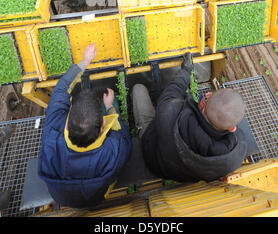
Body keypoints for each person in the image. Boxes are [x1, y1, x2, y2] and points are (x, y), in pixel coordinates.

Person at [38, 43, 132, 208]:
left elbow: (60, 90)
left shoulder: (53, 129)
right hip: (96, 197)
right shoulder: (113, 149)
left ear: (66, 125)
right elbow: (125, 139)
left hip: (60, 196)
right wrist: (110, 107)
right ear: (103, 123)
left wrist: (84, 62)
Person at [131, 54, 247, 183]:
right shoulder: (235, 155)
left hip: (153, 158)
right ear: (232, 129)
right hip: (179, 175)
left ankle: (140, 130)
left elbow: (172, 91)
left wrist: (186, 71)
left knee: (138, 89)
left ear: (204, 100)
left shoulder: (170, 110)